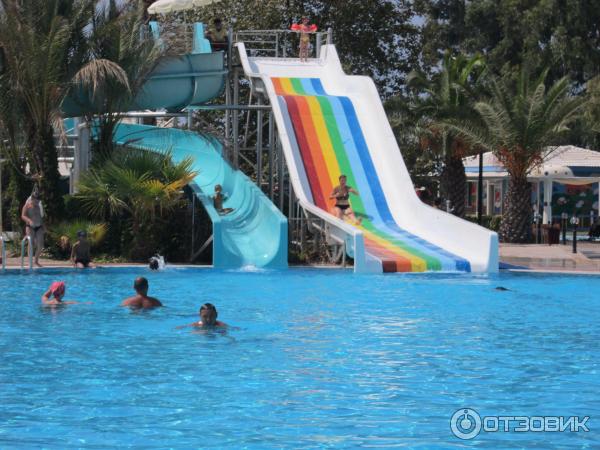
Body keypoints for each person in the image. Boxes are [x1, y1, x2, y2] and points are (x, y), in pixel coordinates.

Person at [21, 190, 44, 267]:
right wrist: (29, 220)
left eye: (38, 201)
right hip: (30, 227)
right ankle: (30, 262)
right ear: (32, 199)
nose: (37, 202)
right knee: (31, 244)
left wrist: (43, 226)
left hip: (39, 227)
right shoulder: (27, 206)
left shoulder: (39, 206)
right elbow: (23, 216)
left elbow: (40, 217)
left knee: (40, 245)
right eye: (36, 200)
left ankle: (36, 261)